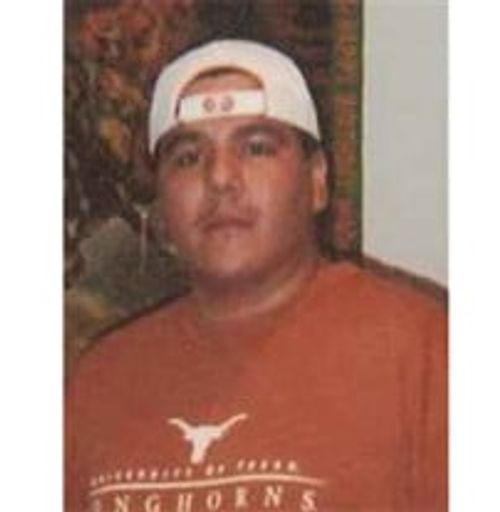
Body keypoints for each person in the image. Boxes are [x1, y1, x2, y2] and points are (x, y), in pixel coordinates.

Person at [66, 40, 447, 512]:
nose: (220, 177)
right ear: (160, 202)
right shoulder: (100, 382)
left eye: (256, 148)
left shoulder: (425, 353)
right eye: (188, 157)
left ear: (317, 180)